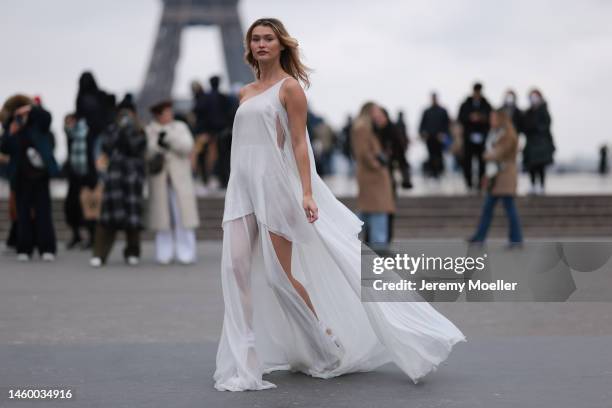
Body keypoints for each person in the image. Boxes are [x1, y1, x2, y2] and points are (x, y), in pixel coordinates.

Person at [213, 17, 465, 392]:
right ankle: (246, 361)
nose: (261, 44)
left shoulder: (290, 89)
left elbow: (299, 144)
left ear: (281, 45)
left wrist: (307, 192)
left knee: (279, 277)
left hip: (275, 187)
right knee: (234, 269)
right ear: (248, 47)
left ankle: (325, 339)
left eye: (268, 38)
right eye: (256, 39)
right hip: (241, 188)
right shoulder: (245, 93)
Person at [90, 94, 146, 267]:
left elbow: (135, 147)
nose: (125, 116)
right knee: (106, 219)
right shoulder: (111, 129)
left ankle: (132, 252)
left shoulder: (139, 130)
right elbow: (107, 146)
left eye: (128, 113)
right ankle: (99, 254)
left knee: (133, 219)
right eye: (122, 113)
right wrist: (120, 129)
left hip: (131, 178)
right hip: (114, 178)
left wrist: (128, 130)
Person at [0, 96, 59, 261]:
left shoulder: (39, 124)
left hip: (40, 176)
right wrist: (11, 132)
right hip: (20, 177)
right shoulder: (12, 126)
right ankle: (24, 248)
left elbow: (47, 117)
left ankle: (47, 248)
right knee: (22, 214)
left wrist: (30, 109)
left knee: (43, 213)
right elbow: (4, 148)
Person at [145, 100, 199, 264]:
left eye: (170, 111)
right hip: (160, 179)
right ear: (158, 115)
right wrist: (158, 146)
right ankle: (164, 253)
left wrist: (169, 139)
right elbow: (147, 152)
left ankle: (186, 253)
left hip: (179, 179)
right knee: (163, 219)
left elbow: (187, 146)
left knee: (182, 215)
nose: (170, 114)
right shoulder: (150, 130)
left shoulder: (180, 127)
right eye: (166, 112)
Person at [468, 109, 523, 246]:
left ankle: (516, 239)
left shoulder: (508, 134)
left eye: (493, 118)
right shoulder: (496, 133)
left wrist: (487, 155)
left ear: (501, 119)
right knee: (489, 208)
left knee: (508, 208)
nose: (491, 120)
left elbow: (498, 153)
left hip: (505, 176)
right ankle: (480, 236)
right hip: (496, 177)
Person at [351, 103, 395, 247]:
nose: (379, 113)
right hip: (373, 178)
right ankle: (379, 252)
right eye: (376, 110)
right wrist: (377, 165)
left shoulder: (366, 127)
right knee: (377, 215)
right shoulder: (362, 128)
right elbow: (363, 152)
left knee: (368, 214)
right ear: (369, 111)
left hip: (372, 179)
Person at [458, 82, 492, 191]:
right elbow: (460, 118)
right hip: (468, 138)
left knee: (482, 162)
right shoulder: (465, 104)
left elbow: (491, 118)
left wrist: (481, 118)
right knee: (467, 162)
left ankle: (480, 185)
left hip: (482, 138)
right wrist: (470, 118)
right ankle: (469, 183)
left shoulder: (486, 104)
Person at [522, 88, 555, 195]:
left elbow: (546, 124)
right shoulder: (528, 112)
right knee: (531, 166)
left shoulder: (544, 110)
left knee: (540, 166)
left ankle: (541, 185)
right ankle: (532, 185)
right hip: (531, 142)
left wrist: (536, 128)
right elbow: (524, 126)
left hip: (541, 143)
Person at [419, 92, 450, 178]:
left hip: (439, 138)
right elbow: (422, 125)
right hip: (430, 138)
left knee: (439, 155)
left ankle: (440, 172)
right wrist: (423, 133)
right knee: (431, 155)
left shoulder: (443, 111)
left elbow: (447, 124)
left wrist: (444, 134)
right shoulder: (427, 111)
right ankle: (433, 173)